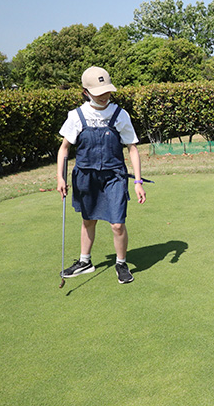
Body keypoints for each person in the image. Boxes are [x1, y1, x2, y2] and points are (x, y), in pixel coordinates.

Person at [56, 66, 146, 284]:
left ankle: (121, 263)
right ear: (86, 92)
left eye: (107, 91)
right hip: (85, 176)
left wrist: (138, 181)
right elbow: (64, 148)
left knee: (117, 224)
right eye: (99, 92)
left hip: (114, 175)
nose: (105, 96)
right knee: (88, 220)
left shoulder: (119, 114)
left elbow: (132, 148)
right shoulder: (76, 116)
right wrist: (60, 177)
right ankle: (85, 262)